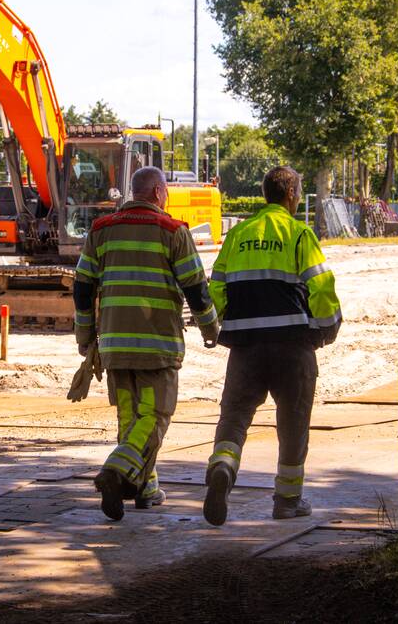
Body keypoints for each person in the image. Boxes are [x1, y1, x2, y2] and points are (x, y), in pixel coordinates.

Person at [74, 166, 219, 520]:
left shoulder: (101, 230)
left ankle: (145, 487)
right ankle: (114, 470)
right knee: (154, 416)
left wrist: (85, 336)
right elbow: (196, 288)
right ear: (156, 193)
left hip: (114, 346)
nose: (167, 196)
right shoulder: (172, 231)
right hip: (156, 346)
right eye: (166, 190)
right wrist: (211, 328)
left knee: (131, 416)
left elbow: (82, 287)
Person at [202, 166, 341, 526]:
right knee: (293, 424)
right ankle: (287, 501)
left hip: (246, 349)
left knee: (234, 417)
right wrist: (327, 329)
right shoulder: (298, 233)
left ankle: (223, 467)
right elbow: (321, 287)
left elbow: (215, 289)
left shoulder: (238, 235)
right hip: (293, 347)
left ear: (265, 194)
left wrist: (224, 325)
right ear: (292, 195)